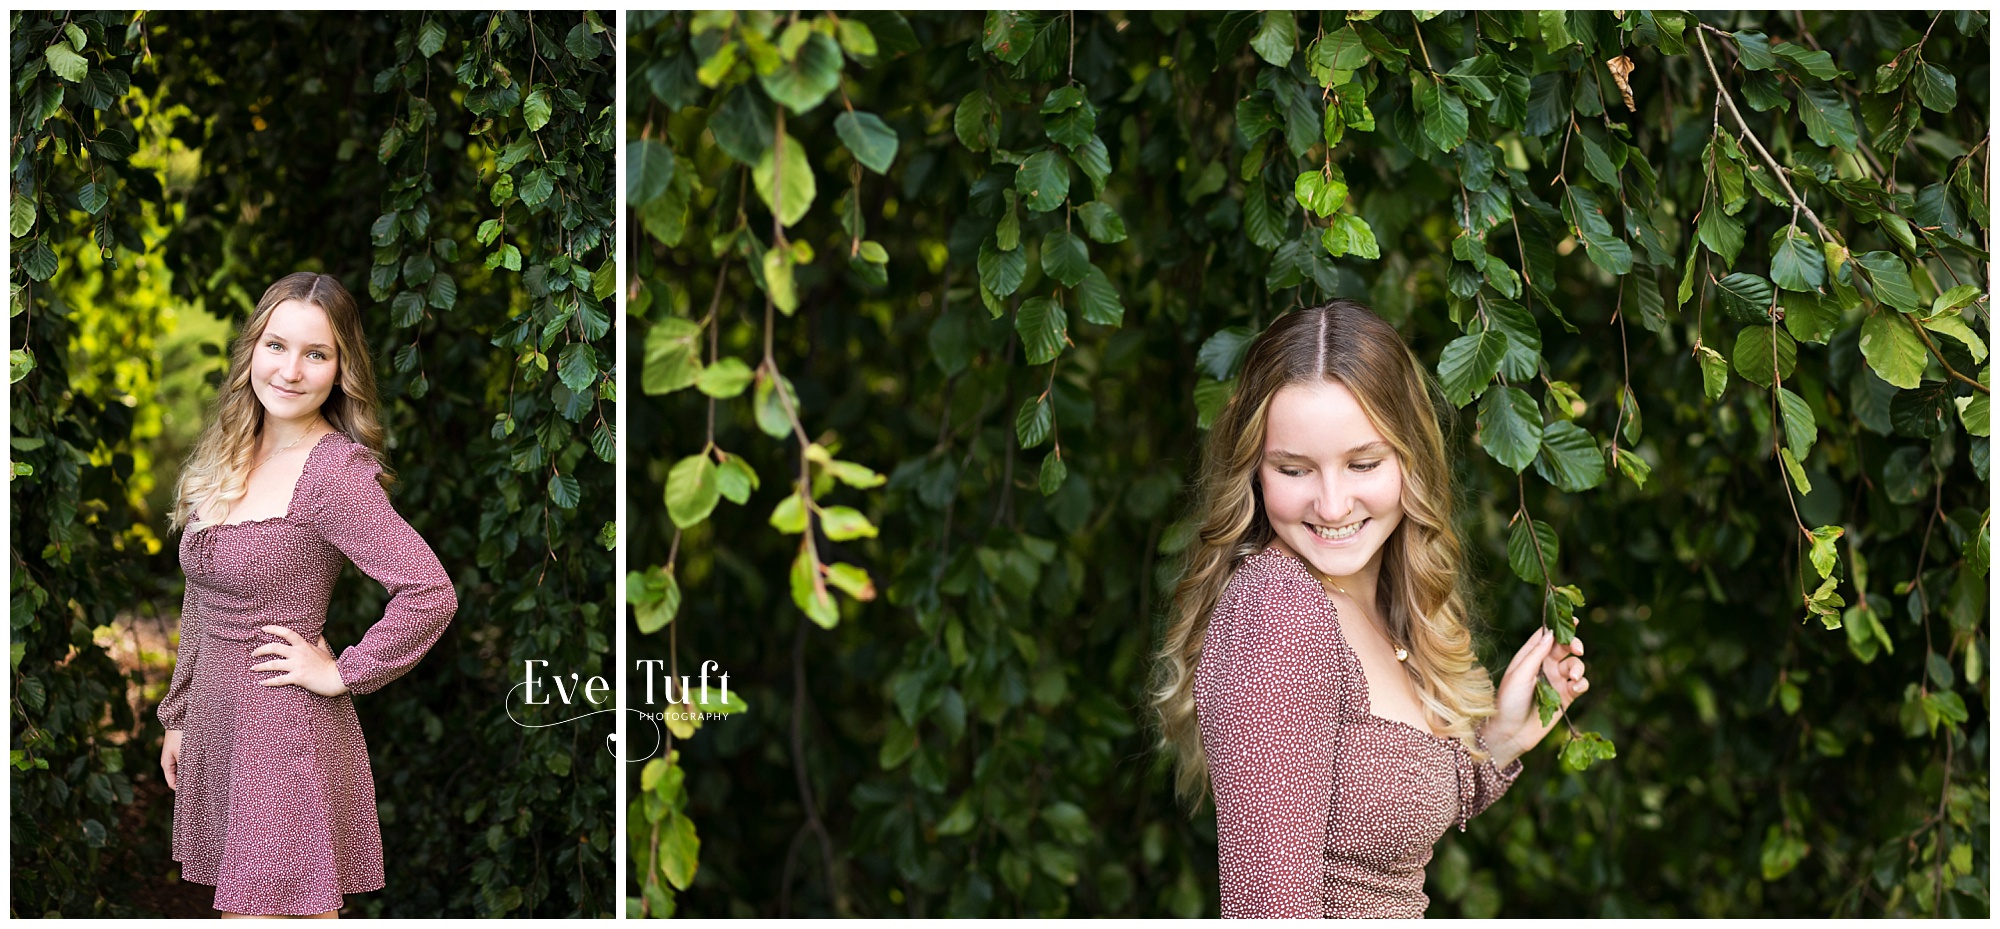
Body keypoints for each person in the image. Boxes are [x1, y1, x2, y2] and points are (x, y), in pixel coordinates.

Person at [1152, 299, 1591, 918]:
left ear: (1410, 459)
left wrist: (1500, 739)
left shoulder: (1379, 598)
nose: (1332, 506)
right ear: (1254, 471)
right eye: (1294, 469)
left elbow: (1375, 836)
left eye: (1363, 463)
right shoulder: (1276, 616)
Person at [157, 272, 458, 918]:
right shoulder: (228, 451)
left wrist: (341, 670)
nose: (291, 370)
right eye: (277, 345)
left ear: (340, 368)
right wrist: (178, 713)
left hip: (284, 733)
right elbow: (200, 597)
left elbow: (429, 592)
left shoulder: (334, 473)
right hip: (220, 729)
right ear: (252, 351)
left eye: (316, 354)